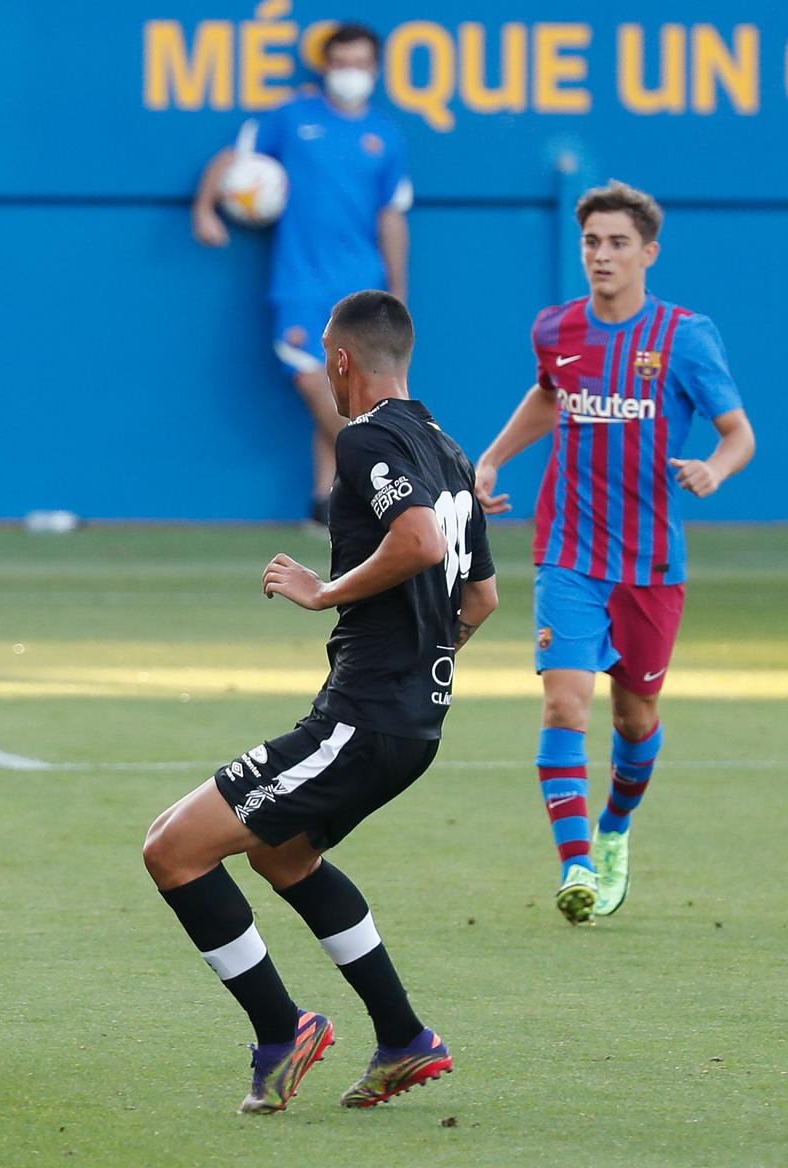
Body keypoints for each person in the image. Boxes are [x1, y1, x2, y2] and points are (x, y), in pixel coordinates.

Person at [142, 291, 497, 1113]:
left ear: (341, 359)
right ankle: (405, 1038)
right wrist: (422, 666)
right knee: (281, 855)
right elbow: (477, 602)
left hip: (363, 719)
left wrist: (323, 591)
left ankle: (281, 1028)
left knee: (172, 849)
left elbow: (418, 542)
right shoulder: (446, 451)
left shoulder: (367, 438)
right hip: (410, 723)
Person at [472, 181, 755, 924]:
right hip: (568, 552)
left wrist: (713, 470)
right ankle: (576, 865)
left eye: (617, 243)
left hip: (652, 566)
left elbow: (739, 433)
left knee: (635, 718)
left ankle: (615, 829)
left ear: (648, 254)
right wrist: (494, 458)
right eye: (592, 242)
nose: (601, 255)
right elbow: (548, 394)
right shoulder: (558, 329)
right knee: (565, 702)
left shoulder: (685, 337)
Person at [191, 22, 412, 527]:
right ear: (326, 67)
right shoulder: (291, 117)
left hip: (362, 283)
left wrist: (397, 288)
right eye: (342, 63)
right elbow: (233, 156)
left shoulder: (384, 136)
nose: (350, 74)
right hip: (300, 284)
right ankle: (388, 481)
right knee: (313, 384)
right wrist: (205, 207)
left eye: (360, 64)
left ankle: (326, 503)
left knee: (349, 391)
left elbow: (392, 215)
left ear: (374, 70)